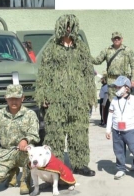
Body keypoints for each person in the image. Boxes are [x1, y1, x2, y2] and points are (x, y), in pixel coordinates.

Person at [35, 14, 97, 177]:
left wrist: (90, 96)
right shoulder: (51, 48)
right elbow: (44, 74)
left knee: (79, 132)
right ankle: (55, 164)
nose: (68, 28)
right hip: (56, 99)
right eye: (66, 25)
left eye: (71, 25)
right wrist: (43, 96)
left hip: (79, 99)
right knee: (54, 132)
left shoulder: (82, 48)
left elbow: (88, 73)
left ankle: (80, 164)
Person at [0, 84, 40, 195]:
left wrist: (26, 140)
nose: (14, 101)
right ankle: (12, 172)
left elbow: (35, 134)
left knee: (32, 154)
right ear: (6, 98)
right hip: (6, 151)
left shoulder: (30, 114)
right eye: (11, 98)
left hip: (24, 151)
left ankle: (25, 180)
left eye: (17, 98)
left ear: (22, 98)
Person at [105, 76, 134, 180]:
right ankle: (120, 168)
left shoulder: (133, 99)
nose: (117, 89)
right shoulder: (114, 100)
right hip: (116, 130)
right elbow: (110, 115)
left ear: (127, 88)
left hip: (130, 130)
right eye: (116, 87)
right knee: (118, 150)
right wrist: (108, 129)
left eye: (119, 87)